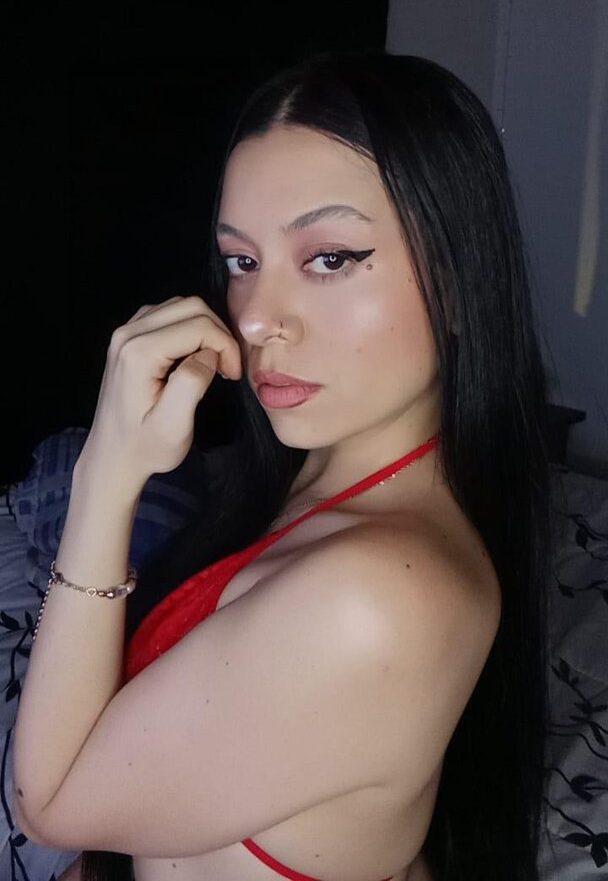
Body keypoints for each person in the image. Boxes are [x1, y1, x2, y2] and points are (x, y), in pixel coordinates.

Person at [11, 50, 553, 881]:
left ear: (455, 278)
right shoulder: (319, 475)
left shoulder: (375, 601)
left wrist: (105, 477)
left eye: (329, 258)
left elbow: (48, 806)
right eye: (242, 261)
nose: (258, 318)